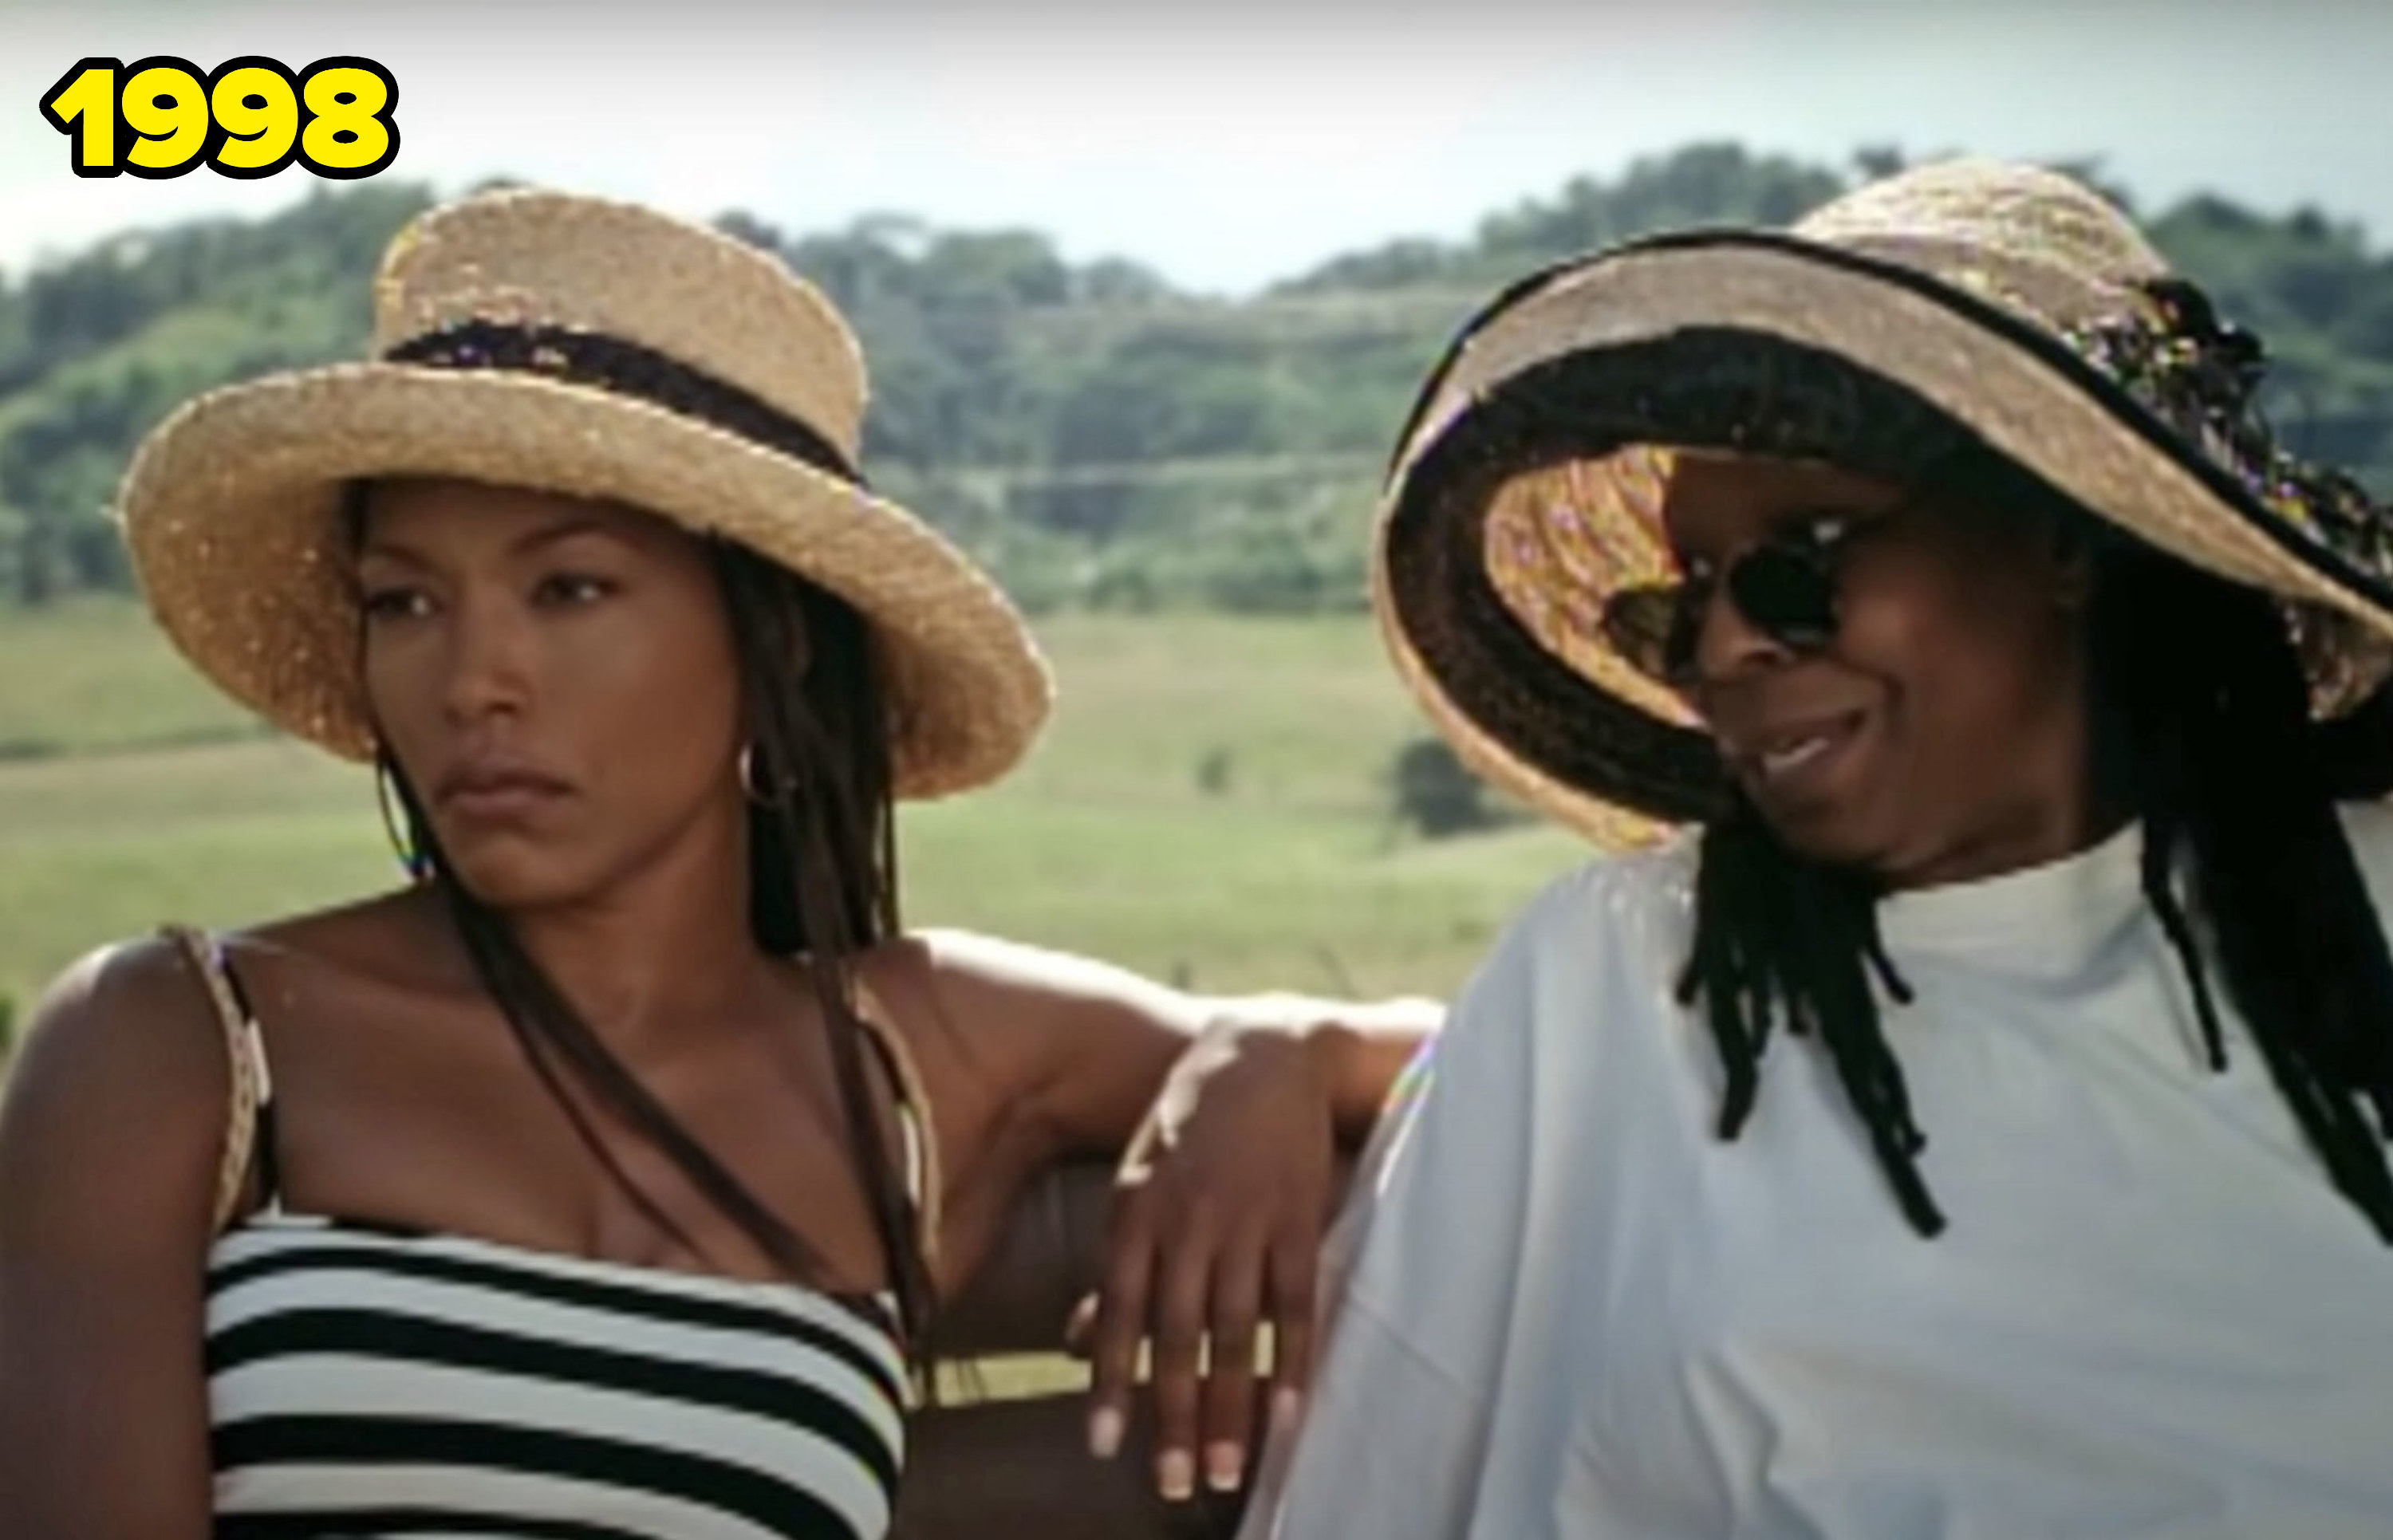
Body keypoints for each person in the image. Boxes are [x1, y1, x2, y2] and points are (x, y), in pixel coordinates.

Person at [0, 189, 1436, 1540]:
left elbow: (1490, 1076)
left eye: (570, 588)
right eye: (405, 599)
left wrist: (1276, 1045)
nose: (473, 680)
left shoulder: (915, 1058)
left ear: (773, 646)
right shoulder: (180, 1043)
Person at [1243, 158, 2393, 1538]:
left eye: (1807, 554)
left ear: (2062, 540)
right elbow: (1377, 1485)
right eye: (1688, 604)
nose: (1728, 647)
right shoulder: (1619, 982)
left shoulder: (2355, 918)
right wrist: (1273, 1050)